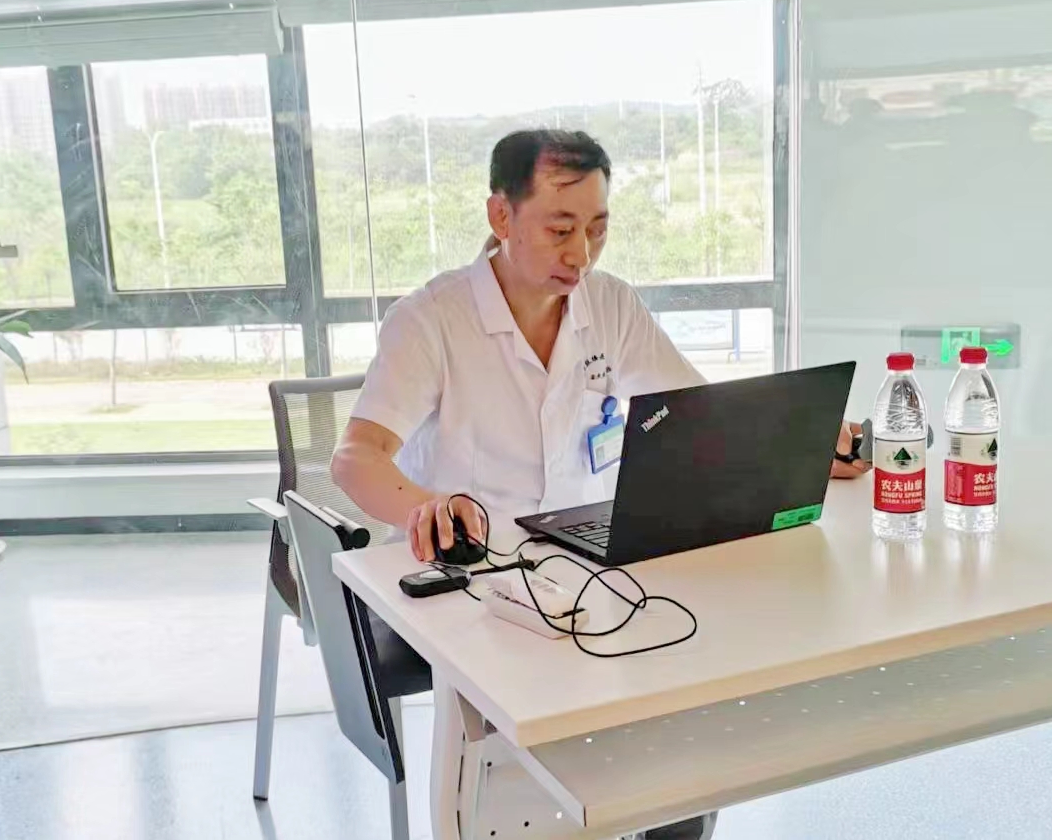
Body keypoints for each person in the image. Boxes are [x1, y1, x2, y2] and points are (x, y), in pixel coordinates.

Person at [332, 128, 867, 840]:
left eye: (597, 228)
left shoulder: (608, 306)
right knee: (532, 747)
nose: (581, 253)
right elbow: (356, 457)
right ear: (500, 216)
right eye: (560, 229)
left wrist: (805, 443)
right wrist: (426, 506)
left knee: (688, 674)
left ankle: (670, 815)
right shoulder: (431, 320)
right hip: (477, 578)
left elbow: (699, 416)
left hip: (591, 555)